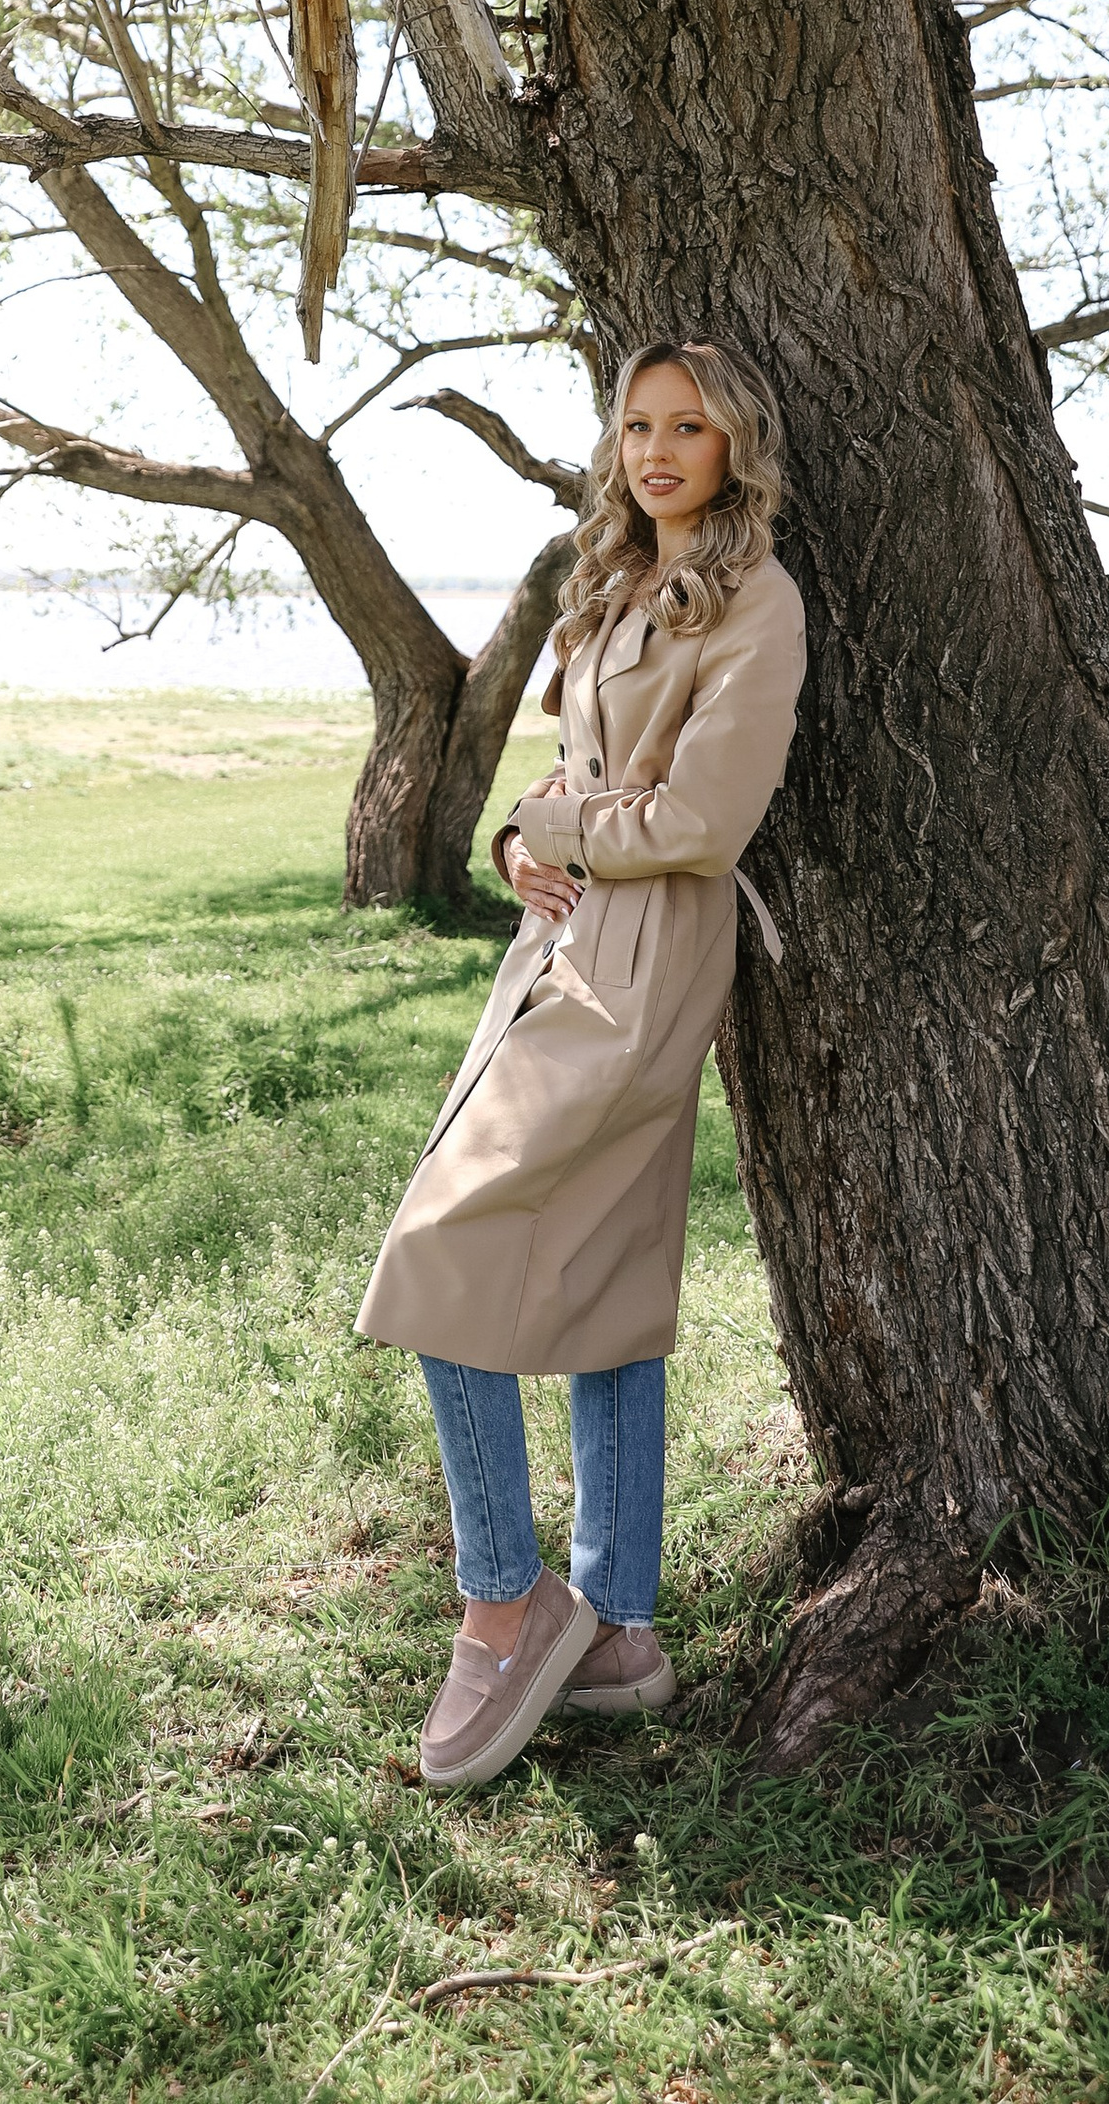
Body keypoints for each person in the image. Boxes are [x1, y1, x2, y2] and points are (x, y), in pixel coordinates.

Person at [356, 338, 805, 1791]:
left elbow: (699, 822)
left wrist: (555, 836)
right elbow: (571, 784)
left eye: (691, 428)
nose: (658, 451)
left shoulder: (761, 603)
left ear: (737, 447)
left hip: (652, 962)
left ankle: (506, 1595)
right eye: (637, 427)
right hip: (562, 951)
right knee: (606, 1281)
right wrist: (511, 839)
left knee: (445, 1235)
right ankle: (619, 1634)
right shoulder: (610, 582)